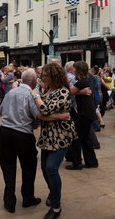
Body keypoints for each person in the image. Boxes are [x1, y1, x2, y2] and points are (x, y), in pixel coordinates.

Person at [32, 63, 76, 219]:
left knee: (51, 168)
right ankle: (53, 192)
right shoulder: (48, 90)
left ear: (53, 76)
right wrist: (59, 115)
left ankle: (56, 208)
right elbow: (37, 112)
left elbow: (43, 110)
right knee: (44, 168)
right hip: (47, 136)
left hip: (61, 136)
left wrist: (36, 96)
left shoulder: (63, 91)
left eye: (45, 75)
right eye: (42, 75)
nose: (42, 78)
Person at [0, 68, 41, 213]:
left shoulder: (11, 92)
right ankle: (28, 198)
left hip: (5, 131)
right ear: (34, 81)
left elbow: (0, 110)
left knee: (8, 166)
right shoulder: (31, 94)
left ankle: (9, 201)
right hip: (22, 133)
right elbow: (38, 115)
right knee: (28, 166)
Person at [66, 61, 99, 171]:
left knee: (76, 138)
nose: (72, 70)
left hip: (85, 113)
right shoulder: (85, 80)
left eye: (74, 68)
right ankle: (91, 162)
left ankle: (77, 164)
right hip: (88, 113)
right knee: (86, 138)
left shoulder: (81, 82)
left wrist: (67, 84)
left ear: (78, 70)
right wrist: (81, 92)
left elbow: (68, 92)